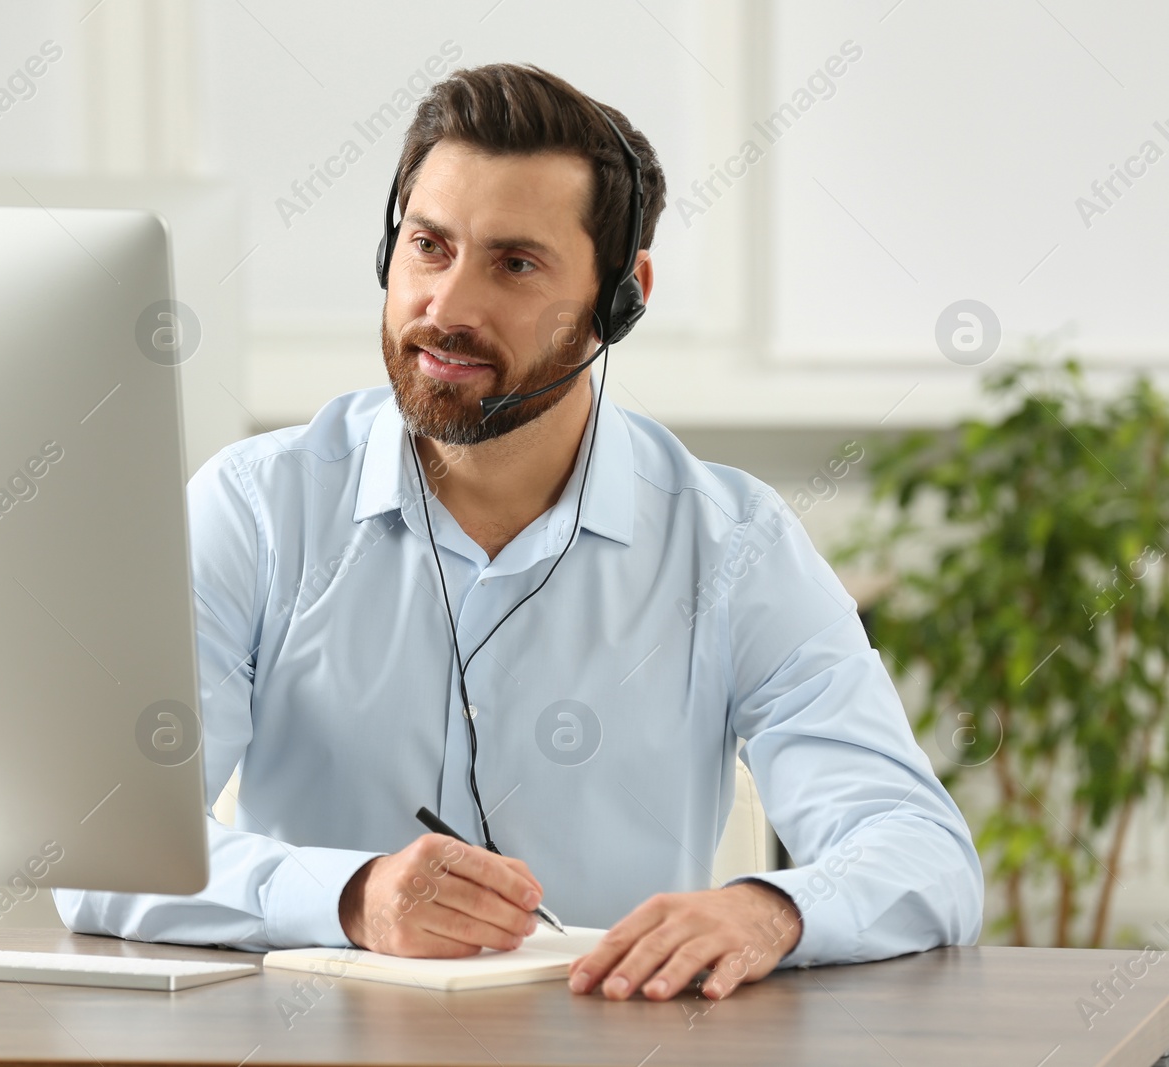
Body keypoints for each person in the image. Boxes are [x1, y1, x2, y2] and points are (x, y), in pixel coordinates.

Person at [55, 62, 983, 1003]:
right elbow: (101, 845)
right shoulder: (256, 508)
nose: (447, 307)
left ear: (622, 296)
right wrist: (350, 895)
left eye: (515, 263)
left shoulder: (730, 541)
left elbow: (923, 852)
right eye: (428, 246)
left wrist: (768, 909)